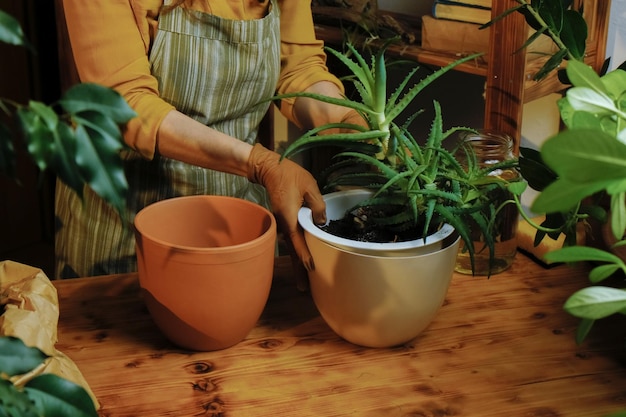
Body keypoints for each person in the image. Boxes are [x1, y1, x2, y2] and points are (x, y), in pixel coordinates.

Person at [55, 0, 362, 283]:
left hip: (236, 220)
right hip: (121, 228)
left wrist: (347, 119)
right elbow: (126, 103)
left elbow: (297, 66)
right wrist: (259, 162)